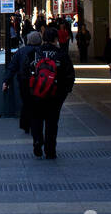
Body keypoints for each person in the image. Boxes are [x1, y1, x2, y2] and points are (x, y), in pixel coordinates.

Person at [22, 25, 75, 158]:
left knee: (36, 119)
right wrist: (65, 91)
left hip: (36, 94)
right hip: (55, 94)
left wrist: (29, 90)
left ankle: (37, 140)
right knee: (52, 122)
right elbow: (69, 75)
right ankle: (50, 150)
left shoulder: (34, 53)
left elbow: (25, 73)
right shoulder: (61, 54)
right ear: (56, 39)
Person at [2, 28, 42, 133]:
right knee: (37, 103)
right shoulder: (42, 51)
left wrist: (6, 81)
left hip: (25, 80)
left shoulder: (21, 52)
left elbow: (12, 67)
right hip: (40, 81)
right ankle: (36, 124)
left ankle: (25, 124)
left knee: (26, 102)